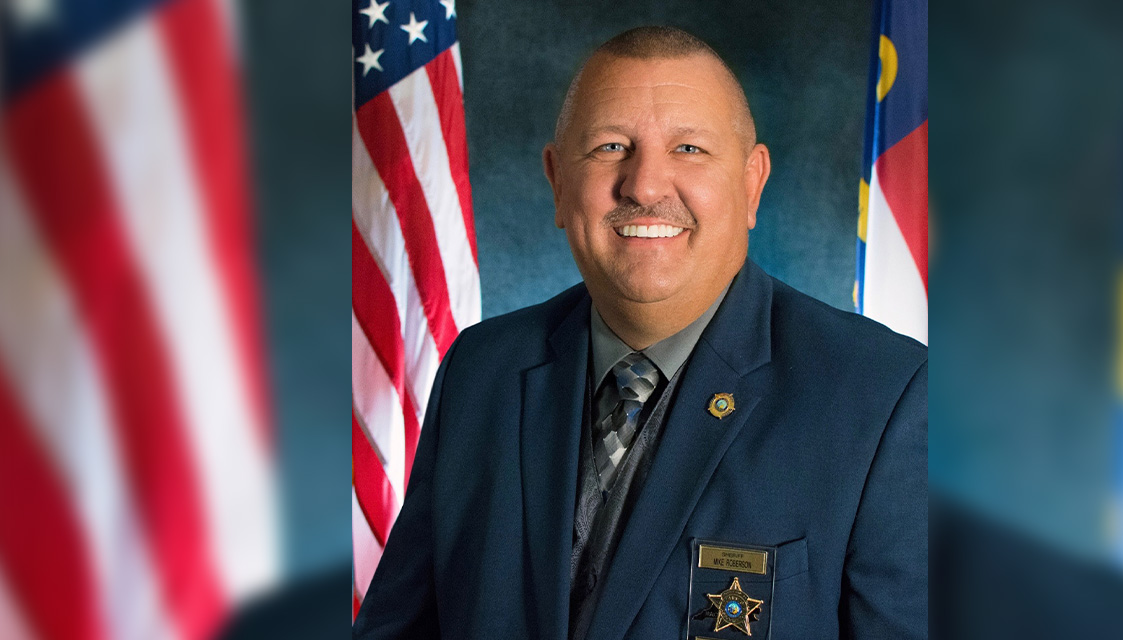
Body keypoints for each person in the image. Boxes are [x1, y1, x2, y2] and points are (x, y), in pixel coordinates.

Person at [353, 26, 926, 640]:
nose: (645, 185)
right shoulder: (482, 370)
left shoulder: (882, 397)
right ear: (557, 181)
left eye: (689, 149)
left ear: (752, 183)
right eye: (610, 147)